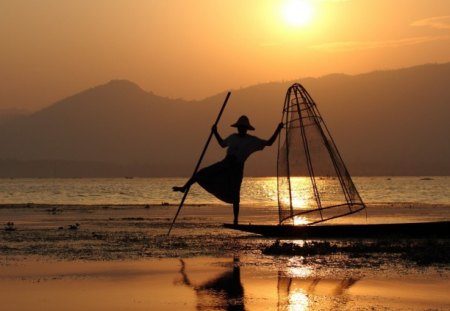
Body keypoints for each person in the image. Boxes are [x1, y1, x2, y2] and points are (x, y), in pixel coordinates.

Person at [173, 115, 283, 225]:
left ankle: (235, 220)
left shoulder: (251, 140)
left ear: (246, 129)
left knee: (235, 194)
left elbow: (269, 143)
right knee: (201, 173)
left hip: (237, 167)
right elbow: (222, 144)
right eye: (239, 127)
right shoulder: (233, 137)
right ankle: (184, 187)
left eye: (242, 128)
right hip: (225, 163)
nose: (240, 129)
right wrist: (215, 132)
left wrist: (278, 129)